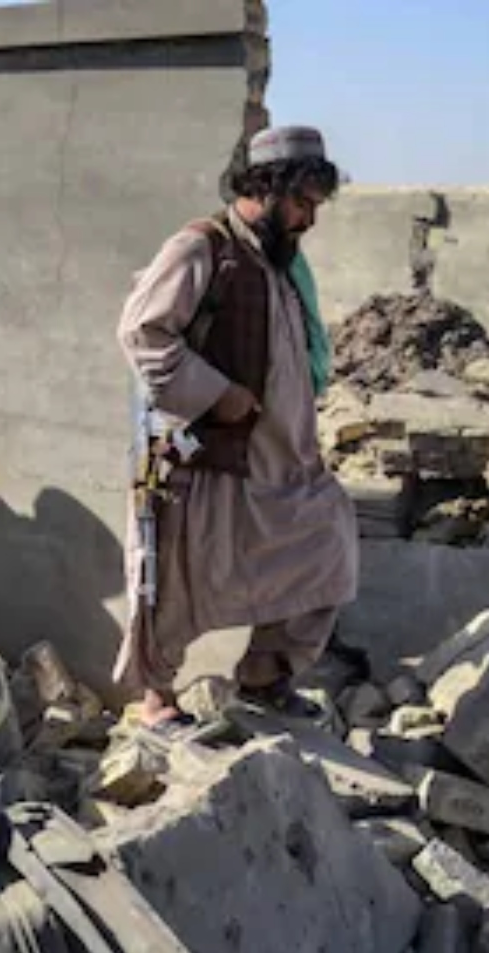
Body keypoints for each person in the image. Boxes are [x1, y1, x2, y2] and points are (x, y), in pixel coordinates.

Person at [112, 125, 358, 730]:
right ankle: (156, 699)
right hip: (211, 459)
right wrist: (216, 393)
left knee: (326, 552)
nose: (309, 220)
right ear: (266, 187)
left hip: (282, 463)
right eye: (301, 203)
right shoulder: (202, 248)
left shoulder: (278, 261)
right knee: (177, 582)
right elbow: (143, 333)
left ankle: (265, 677)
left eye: (315, 206)